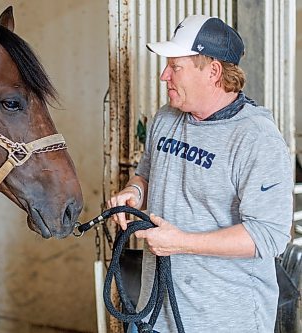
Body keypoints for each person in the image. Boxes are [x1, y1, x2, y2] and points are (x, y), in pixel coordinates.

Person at [107, 15, 293, 333]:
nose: (164, 75)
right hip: (153, 315)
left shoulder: (256, 137)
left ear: (213, 72)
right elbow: (147, 176)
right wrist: (134, 192)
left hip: (223, 320)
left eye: (175, 67)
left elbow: (269, 235)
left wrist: (182, 243)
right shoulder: (166, 118)